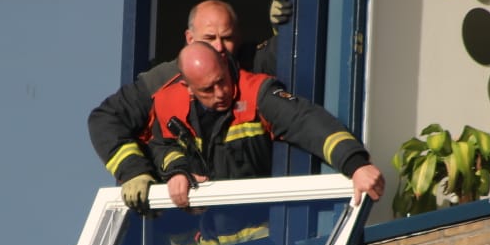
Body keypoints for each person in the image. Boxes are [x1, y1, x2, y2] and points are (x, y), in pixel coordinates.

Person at [88, 0, 292, 213]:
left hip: (262, 213)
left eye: (227, 38)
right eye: (209, 38)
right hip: (185, 218)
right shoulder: (160, 81)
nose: (219, 47)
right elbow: (106, 120)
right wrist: (133, 171)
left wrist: (286, 29)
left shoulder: (252, 63)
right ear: (190, 38)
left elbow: (291, 58)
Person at [149, 41, 384, 212]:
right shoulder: (170, 104)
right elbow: (161, 146)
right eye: (207, 89)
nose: (220, 93)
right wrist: (177, 170)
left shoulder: (255, 93)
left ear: (224, 64)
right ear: (188, 87)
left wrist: (356, 165)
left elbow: (305, 120)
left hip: (263, 237)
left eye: (221, 80)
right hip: (209, 242)